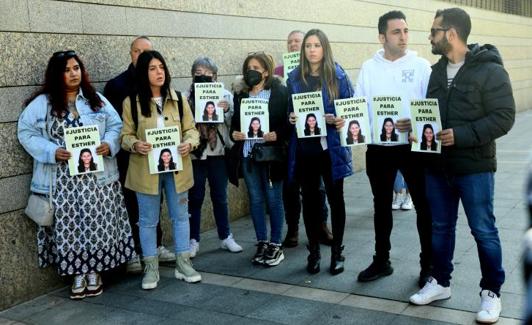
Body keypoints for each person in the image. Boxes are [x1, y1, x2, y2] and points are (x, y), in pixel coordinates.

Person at [409, 8, 515, 324]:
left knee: (483, 230)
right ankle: (440, 282)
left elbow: (504, 117)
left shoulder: (491, 71)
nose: (430, 36)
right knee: (440, 227)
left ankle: (491, 293)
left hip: (475, 167)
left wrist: (462, 135)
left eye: (434, 31)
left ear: (451, 33)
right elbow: (432, 114)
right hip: (438, 167)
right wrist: (419, 128)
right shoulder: (436, 72)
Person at [18, 50, 135, 300]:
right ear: (57, 75)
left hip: (97, 180)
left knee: (95, 224)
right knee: (69, 226)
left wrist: (109, 144)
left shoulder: (96, 100)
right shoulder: (43, 103)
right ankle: (77, 274)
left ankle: (94, 272)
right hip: (61, 181)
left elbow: (116, 127)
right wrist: (52, 150)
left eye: (76, 68)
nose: (73, 74)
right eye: (67, 70)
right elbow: (26, 132)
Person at [355, 11, 433, 288]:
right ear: (382, 36)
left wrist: (415, 121)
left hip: (413, 148)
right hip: (378, 148)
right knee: (381, 206)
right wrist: (346, 120)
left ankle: (428, 266)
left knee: (424, 207)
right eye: (396, 32)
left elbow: (432, 108)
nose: (403, 37)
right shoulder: (369, 67)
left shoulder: (422, 66)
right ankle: (382, 260)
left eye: (406, 31)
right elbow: (358, 105)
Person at [120, 50, 201, 289]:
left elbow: (192, 129)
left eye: (162, 68)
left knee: (180, 216)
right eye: (153, 68)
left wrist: (190, 142)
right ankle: (151, 268)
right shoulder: (130, 103)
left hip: (177, 169)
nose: (159, 73)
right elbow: (124, 136)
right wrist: (135, 144)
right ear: (143, 73)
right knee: (146, 221)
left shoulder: (178, 98)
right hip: (145, 170)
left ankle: (183, 263)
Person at [104, 36, 174, 273]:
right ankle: (133, 251)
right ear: (131, 54)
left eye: (148, 52)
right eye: (137, 51)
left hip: (159, 157)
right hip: (129, 158)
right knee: (131, 203)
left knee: (156, 200)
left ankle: (155, 245)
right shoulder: (116, 86)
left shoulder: (161, 86)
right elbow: (115, 127)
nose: (142, 56)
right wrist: (131, 144)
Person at [287, 29, 354, 275]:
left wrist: (338, 118)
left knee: (336, 201)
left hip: (331, 148)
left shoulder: (338, 76)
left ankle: (337, 252)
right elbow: (289, 111)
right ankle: (313, 252)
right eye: (308, 46)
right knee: (311, 203)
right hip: (305, 150)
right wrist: (291, 117)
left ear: (324, 48)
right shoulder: (294, 78)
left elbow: (351, 109)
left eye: (316, 45)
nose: (311, 50)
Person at [229, 52, 289, 267]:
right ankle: (262, 241)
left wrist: (278, 134)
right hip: (248, 155)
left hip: (271, 156)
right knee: (255, 200)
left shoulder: (279, 92)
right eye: (248, 67)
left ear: (265, 71)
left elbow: (288, 123)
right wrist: (234, 134)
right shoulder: (241, 95)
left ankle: (276, 244)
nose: (250, 71)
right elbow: (235, 125)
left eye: (255, 67)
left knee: (274, 200)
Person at [278, 31, 333, 249]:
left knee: (317, 189)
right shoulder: (282, 73)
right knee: (291, 188)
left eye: (297, 41)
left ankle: (322, 227)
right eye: (290, 41)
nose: (293, 44)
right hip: (290, 141)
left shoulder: (326, 73)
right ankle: (293, 229)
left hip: (318, 141)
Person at [187, 56, 242, 258]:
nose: (203, 77)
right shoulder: (186, 98)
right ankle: (193, 240)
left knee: (220, 196)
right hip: (196, 155)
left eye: (207, 74)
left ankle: (226, 236)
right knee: (195, 197)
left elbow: (234, 122)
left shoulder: (225, 95)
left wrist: (226, 111)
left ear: (215, 76)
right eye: (198, 73)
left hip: (218, 152)